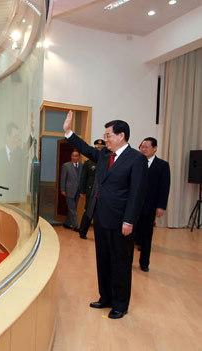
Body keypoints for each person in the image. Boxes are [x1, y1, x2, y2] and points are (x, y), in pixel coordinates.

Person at [63, 110, 148, 319]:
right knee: (103, 260)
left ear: (121, 136)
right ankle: (106, 298)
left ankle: (120, 304)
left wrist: (129, 220)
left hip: (121, 222)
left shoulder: (136, 159)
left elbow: (137, 193)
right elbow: (85, 148)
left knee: (120, 262)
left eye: (108, 135)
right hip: (101, 218)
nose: (106, 138)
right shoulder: (104, 155)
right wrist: (69, 132)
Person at [135, 137, 170, 272]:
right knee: (130, 236)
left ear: (154, 148)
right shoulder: (135, 162)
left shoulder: (162, 165)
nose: (143, 149)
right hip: (133, 205)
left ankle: (144, 263)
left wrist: (161, 206)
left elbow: (164, 187)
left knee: (146, 235)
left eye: (146, 147)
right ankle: (127, 262)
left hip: (149, 206)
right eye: (142, 147)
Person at [77, 139, 106, 239]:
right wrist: (82, 191)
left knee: (100, 212)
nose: (99, 149)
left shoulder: (106, 160)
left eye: (101, 147)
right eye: (97, 147)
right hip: (90, 190)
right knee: (88, 210)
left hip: (102, 191)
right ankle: (82, 231)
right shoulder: (89, 162)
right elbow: (83, 177)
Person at [60, 150, 82, 231]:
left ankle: (67, 223)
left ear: (79, 157)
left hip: (78, 191)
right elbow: (63, 178)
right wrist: (62, 189)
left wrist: (82, 191)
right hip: (69, 191)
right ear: (71, 156)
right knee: (72, 209)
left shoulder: (81, 165)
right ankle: (76, 226)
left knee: (73, 208)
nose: (74, 157)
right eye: (73, 155)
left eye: (76, 156)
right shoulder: (66, 166)